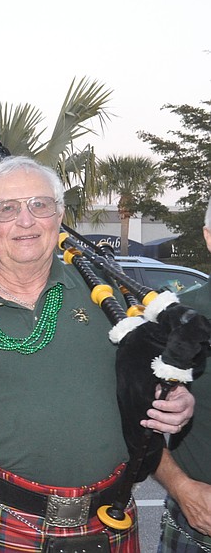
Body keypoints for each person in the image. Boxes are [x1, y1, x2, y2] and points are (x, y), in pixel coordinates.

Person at [0, 156, 195, 552]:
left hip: (109, 518)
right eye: (6, 209)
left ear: (58, 217)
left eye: (39, 205)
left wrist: (173, 398)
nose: (25, 220)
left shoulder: (110, 298)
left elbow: (145, 385)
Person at [153, 198, 211, 552]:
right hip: (197, 531)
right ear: (209, 236)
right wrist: (180, 487)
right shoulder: (176, 322)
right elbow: (130, 419)